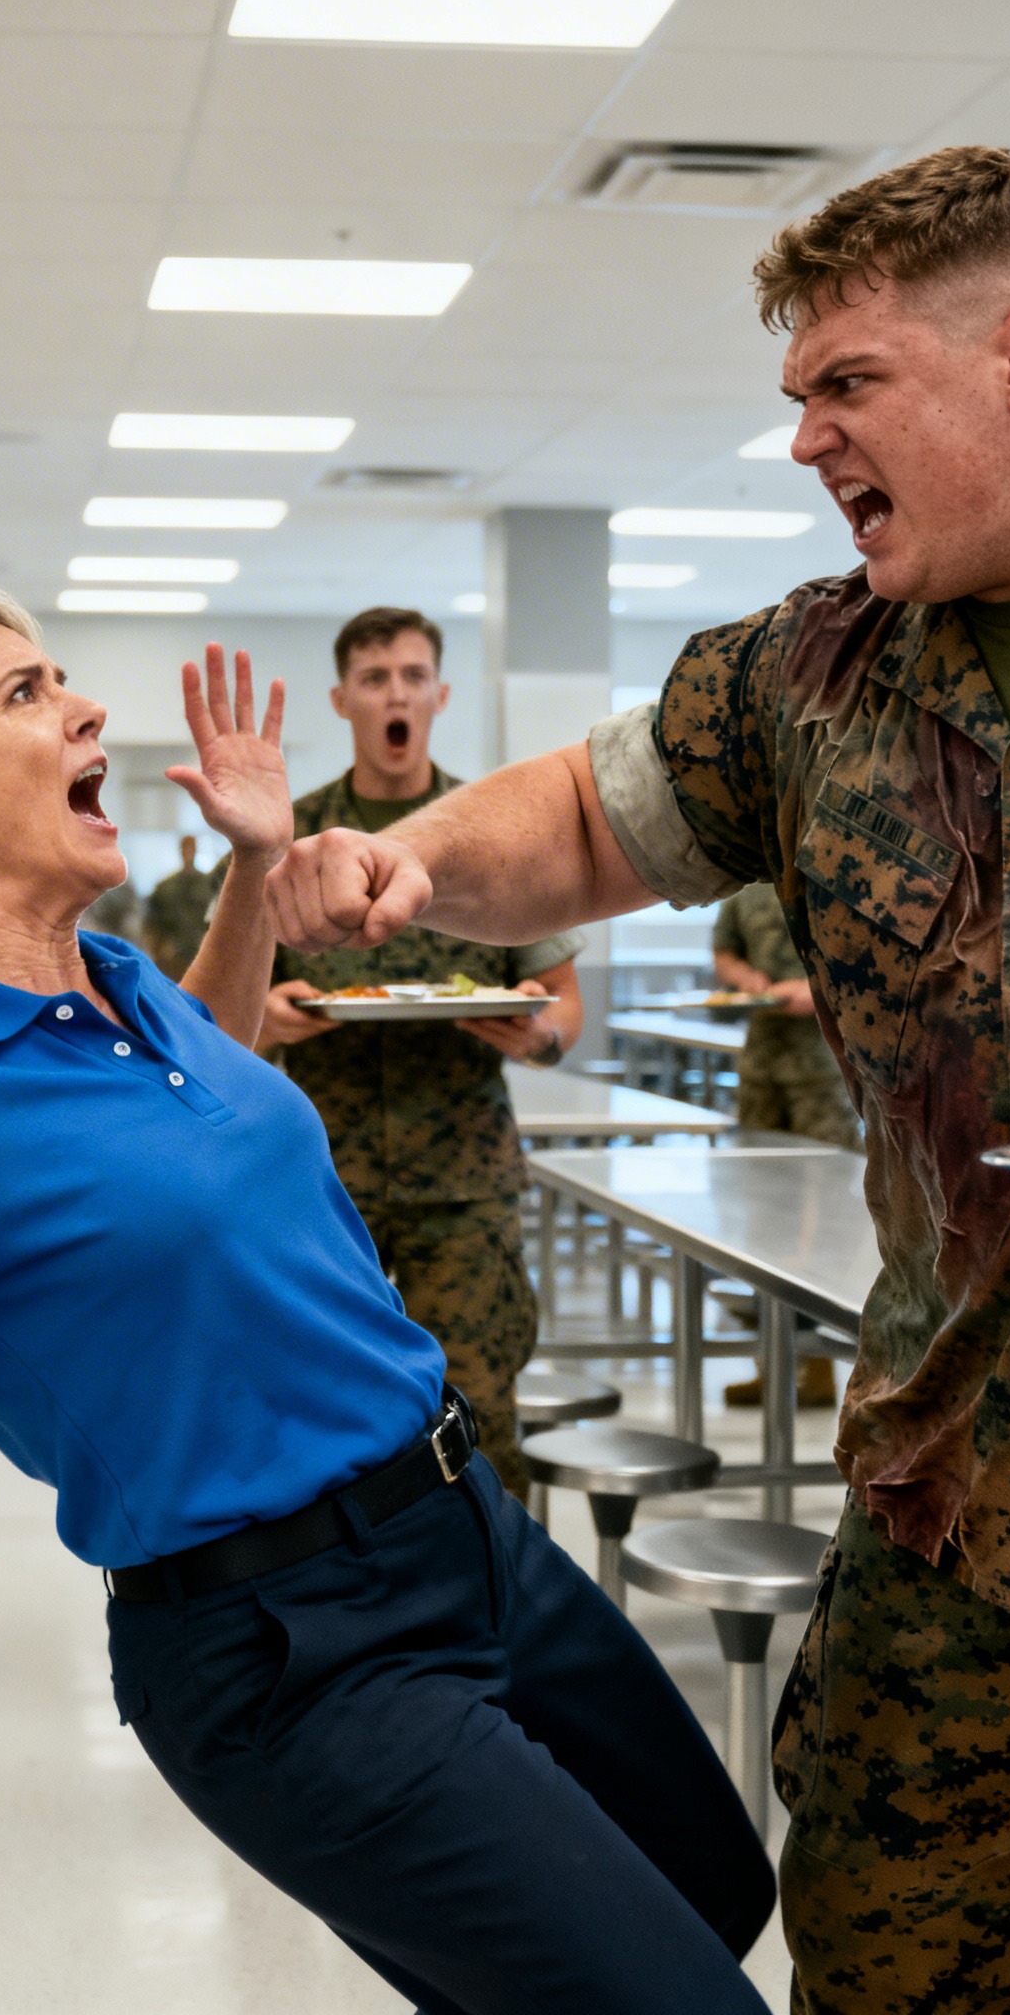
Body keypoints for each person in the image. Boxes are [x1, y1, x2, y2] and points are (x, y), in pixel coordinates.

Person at [267, 145, 1010, 2014]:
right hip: (977, 1480)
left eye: (844, 386)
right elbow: (585, 811)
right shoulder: (807, 674)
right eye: (793, 396)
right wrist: (416, 869)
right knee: (891, 1964)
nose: (806, 440)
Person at [0, 590, 774, 2014]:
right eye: (24, 694)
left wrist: (259, 868)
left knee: (718, 1890)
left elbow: (213, 1047)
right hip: (296, 1652)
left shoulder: (118, 980)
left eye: (64, 680)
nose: (84, 711)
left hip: (468, 1529)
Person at [259, 607, 583, 1495]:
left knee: (479, 1422)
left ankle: (499, 1621)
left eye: (411, 676)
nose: (395, 694)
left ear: (439, 693)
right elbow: (214, 1009)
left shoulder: (496, 831)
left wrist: (539, 1034)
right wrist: (266, 1017)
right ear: (343, 699)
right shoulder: (294, 842)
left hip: (465, 1182)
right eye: (374, 679)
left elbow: (562, 1008)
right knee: (325, 1423)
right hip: (322, 1184)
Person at [709, 882, 860, 1411]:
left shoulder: (831, 873)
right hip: (763, 1065)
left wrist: (815, 988)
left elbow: (870, 959)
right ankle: (771, 1364)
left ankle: (818, 1367)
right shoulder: (744, 886)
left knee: (823, 1217)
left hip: (823, 1069)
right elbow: (724, 951)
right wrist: (745, 979)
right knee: (763, 1214)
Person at [141, 834, 217, 976]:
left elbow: (219, 922)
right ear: (180, 850)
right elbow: (152, 926)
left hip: (205, 957)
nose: (188, 852)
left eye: (191, 847)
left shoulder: (210, 886)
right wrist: (160, 952)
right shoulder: (165, 888)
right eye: (185, 848)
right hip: (173, 961)